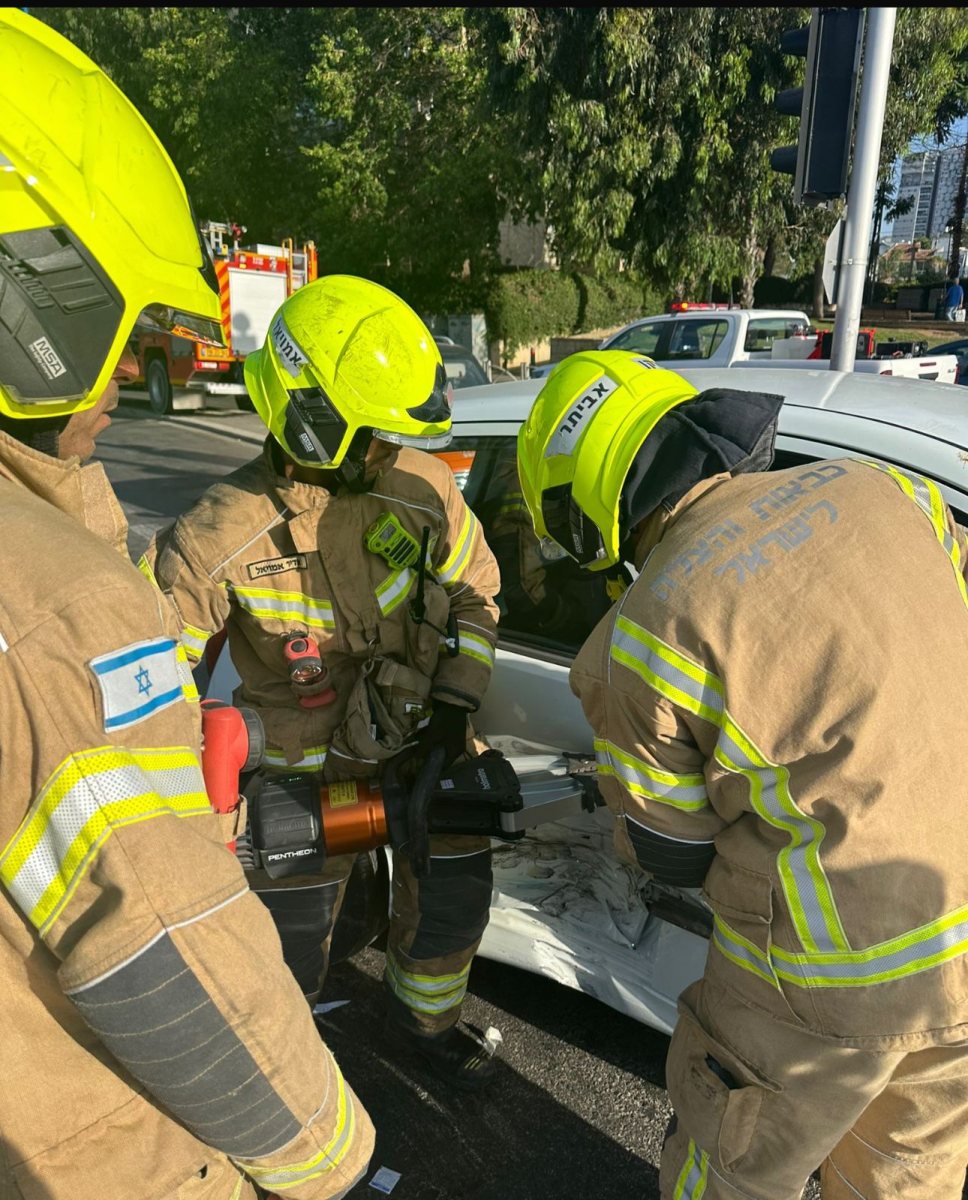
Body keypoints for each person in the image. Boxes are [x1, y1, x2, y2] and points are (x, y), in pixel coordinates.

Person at [0, 12, 373, 1199]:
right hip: (93, 1145)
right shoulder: (70, 601)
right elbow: (161, 946)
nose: (127, 370)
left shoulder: (409, 508)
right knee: (286, 946)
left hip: (351, 775)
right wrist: (331, 1157)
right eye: (111, 322)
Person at [516, 349, 968, 1200]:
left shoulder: (639, 636)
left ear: (584, 516)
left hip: (820, 983)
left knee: (727, 1167)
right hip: (962, 937)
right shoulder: (885, 487)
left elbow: (673, 855)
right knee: (907, 1177)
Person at [141, 274, 502, 1090]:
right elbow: (149, 683)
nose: (387, 452)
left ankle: (424, 1027)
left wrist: (453, 713)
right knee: (289, 947)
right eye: (372, 436)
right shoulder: (217, 539)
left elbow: (477, 592)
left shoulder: (420, 492)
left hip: (421, 744)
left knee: (453, 896)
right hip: (306, 783)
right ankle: (287, 1077)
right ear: (314, 420)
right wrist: (195, 803)